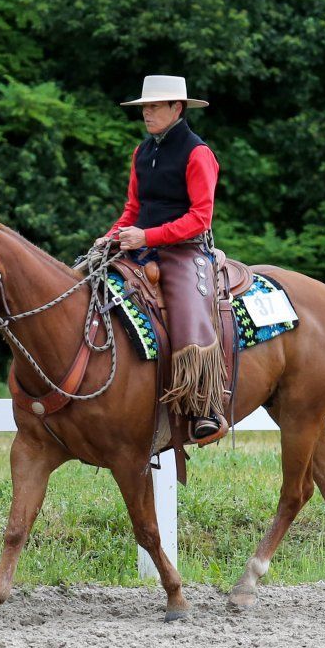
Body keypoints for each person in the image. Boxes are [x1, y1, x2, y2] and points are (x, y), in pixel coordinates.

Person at [96, 75, 225, 441]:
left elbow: (201, 217)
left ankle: (204, 405)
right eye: (144, 108)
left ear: (176, 108)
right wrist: (110, 238)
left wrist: (146, 235)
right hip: (138, 244)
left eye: (154, 107)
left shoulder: (198, 153)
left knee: (188, 308)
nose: (147, 113)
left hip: (184, 250)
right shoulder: (142, 151)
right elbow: (133, 208)